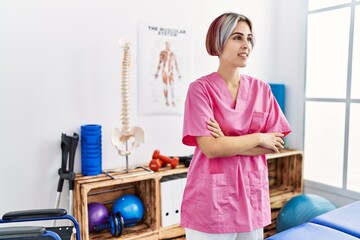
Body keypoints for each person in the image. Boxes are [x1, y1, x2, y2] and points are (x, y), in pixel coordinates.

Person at [181, 12, 291, 240]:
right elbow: (211, 149)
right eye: (237, 37)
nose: (246, 45)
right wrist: (259, 137)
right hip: (212, 202)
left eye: (249, 38)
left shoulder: (262, 90)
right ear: (218, 42)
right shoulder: (200, 90)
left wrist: (226, 142)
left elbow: (276, 143)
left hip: (252, 200)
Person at [154, 40, 181, 106]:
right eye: (167, 44)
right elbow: (160, 62)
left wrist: (178, 74)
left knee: (172, 87)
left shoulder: (172, 53)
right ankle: (166, 100)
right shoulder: (162, 52)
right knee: (165, 86)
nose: (169, 45)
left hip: (171, 71)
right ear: (165, 44)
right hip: (164, 72)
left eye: (169, 44)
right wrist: (157, 73)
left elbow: (175, 64)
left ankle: (172, 100)